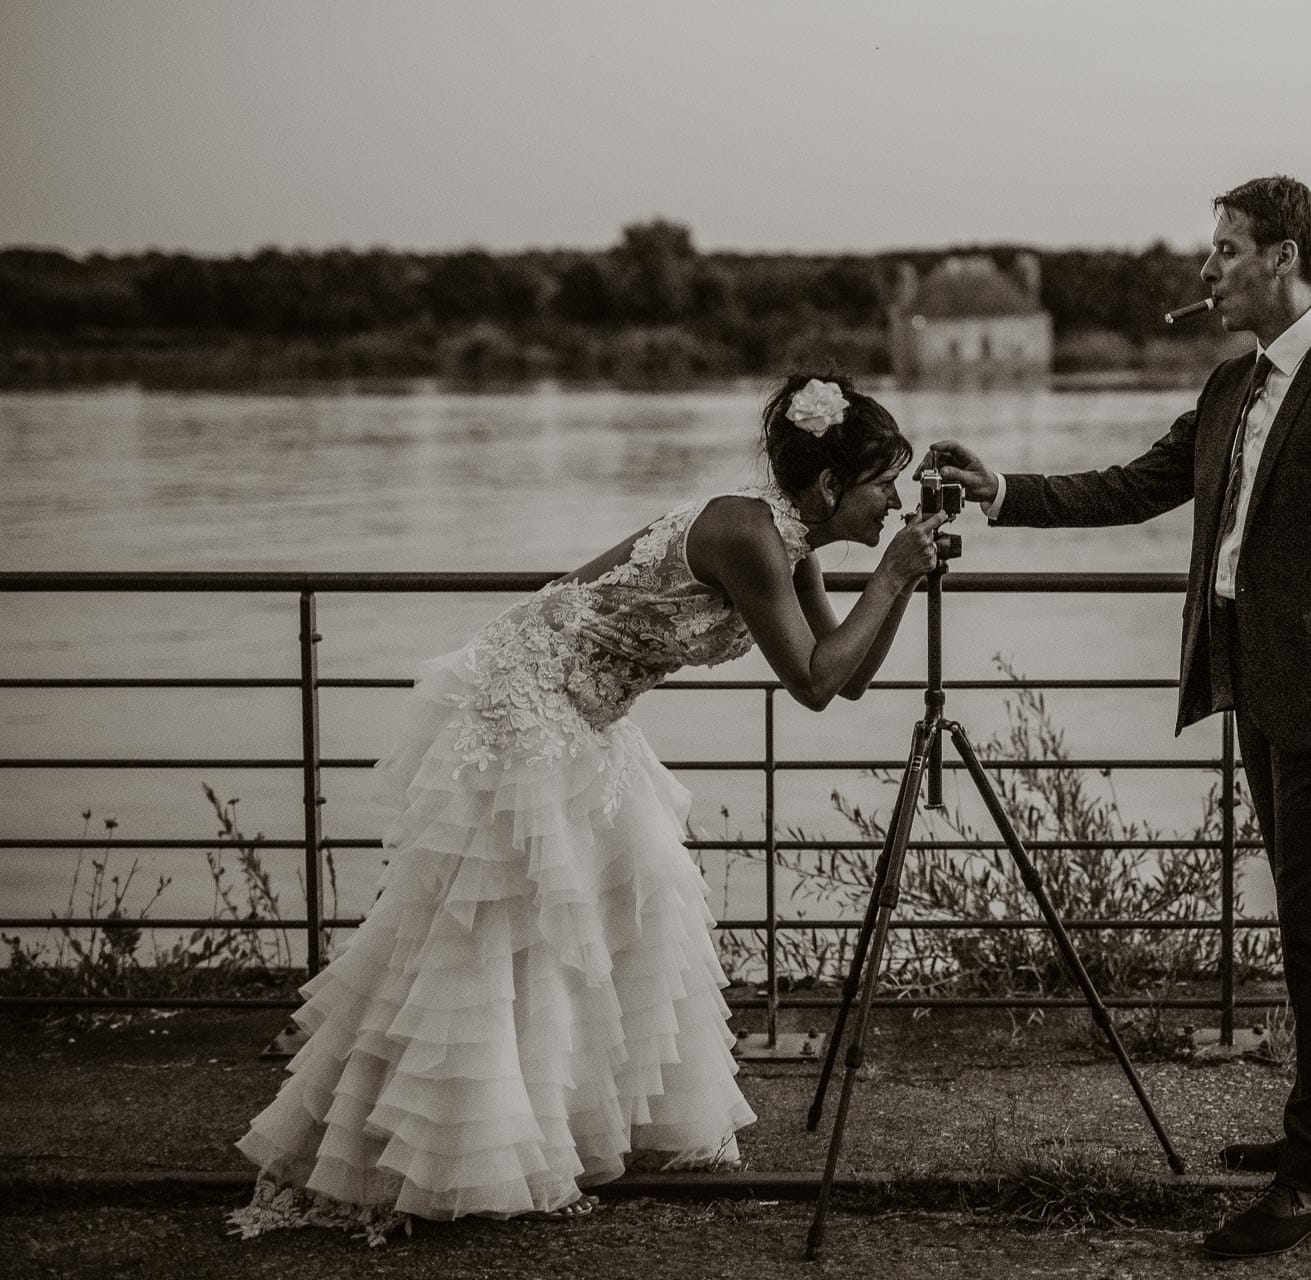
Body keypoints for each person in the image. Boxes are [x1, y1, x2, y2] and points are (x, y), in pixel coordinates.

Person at [228, 373, 951, 1245]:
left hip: (590, 713)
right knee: (506, 923)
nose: (896, 503)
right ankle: (457, 1151)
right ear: (831, 487)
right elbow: (811, 681)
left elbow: (850, 675)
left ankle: (577, 1125)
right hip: (525, 697)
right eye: (886, 488)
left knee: (640, 885)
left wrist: (901, 581)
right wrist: (891, 573)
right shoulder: (745, 532)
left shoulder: (790, 539)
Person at [927, 175, 1311, 1260]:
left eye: (1223, 248)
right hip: (1247, 681)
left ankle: (1309, 1183)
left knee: (1310, 921)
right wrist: (1003, 490)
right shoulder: (1229, 386)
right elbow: (1133, 484)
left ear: (1285, 255)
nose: (1205, 268)